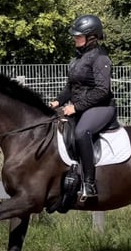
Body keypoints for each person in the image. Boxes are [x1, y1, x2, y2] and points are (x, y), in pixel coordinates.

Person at [49, 14, 117, 200]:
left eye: (78, 36)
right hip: (82, 107)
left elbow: (102, 91)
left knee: (81, 132)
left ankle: (89, 184)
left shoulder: (101, 58)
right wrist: (57, 102)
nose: (74, 38)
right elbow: (71, 87)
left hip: (102, 108)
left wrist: (76, 107)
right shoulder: (78, 58)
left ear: (91, 37)